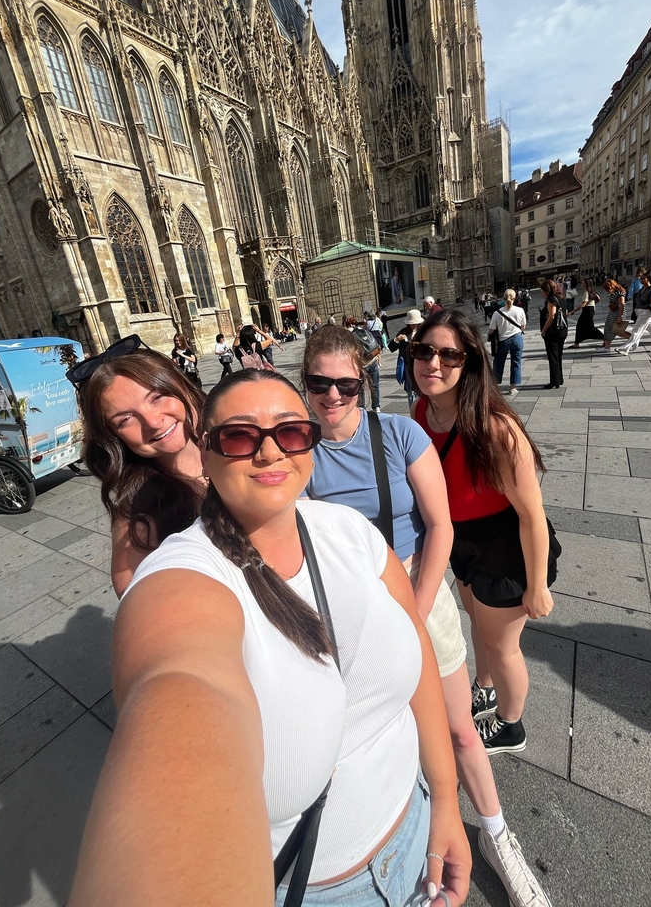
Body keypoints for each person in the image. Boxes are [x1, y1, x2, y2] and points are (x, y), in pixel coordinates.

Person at [68, 369, 472, 907]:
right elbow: (179, 680)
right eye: (239, 436)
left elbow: (416, 652)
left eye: (291, 432)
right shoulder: (183, 575)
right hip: (320, 887)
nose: (269, 452)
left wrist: (445, 799)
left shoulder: (348, 531)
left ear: (311, 444)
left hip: (418, 826)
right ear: (206, 457)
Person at [302, 327, 554, 907]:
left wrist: (412, 614)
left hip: (418, 595)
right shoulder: (297, 450)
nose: (334, 396)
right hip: (341, 611)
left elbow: (440, 526)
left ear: (362, 380)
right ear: (306, 386)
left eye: (345, 383)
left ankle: (497, 838)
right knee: (372, 732)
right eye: (320, 384)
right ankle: (409, 832)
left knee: (460, 728)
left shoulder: (398, 431)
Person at [408, 311, 559, 758]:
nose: (432, 363)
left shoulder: (495, 428)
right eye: (423, 350)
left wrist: (536, 587)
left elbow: (532, 515)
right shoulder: (421, 410)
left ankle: (511, 727)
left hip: (506, 543)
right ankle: (485, 687)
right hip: (460, 539)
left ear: (470, 362)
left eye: (448, 355)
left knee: (502, 644)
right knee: (478, 622)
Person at [65, 337, 206, 597]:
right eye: (126, 419)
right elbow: (141, 604)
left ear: (183, 388)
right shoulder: (139, 515)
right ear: (113, 437)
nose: (152, 422)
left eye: (158, 397)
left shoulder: (240, 443)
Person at [487, 289, 525, 398]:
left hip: (502, 341)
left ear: (503, 298)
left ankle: (495, 386)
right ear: (515, 298)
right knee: (516, 362)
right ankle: (513, 388)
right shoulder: (520, 310)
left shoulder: (497, 313)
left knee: (498, 363)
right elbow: (523, 327)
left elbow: (491, 330)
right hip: (517, 339)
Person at [615, 271, 651, 354]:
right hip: (641, 312)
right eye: (641, 278)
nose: (641, 280)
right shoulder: (642, 289)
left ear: (648, 279)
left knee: (636, 331)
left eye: (643, 278)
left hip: (647, 312)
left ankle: (624, 348)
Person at [389, 308, 423, 407]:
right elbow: (391, 348)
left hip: (420, 363)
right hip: (408, 365)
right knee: (410, 389)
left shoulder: (422, 332)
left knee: (421, 387)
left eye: (416, 323)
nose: (414, 325)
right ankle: (413, 411)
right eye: (412, 323)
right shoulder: (403, 332)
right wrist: (396, 339)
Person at [539, 280, 568, 388]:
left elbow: (552, 316)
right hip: (562, 330)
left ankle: (554, 381)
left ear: (548, 290)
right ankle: (559, 378)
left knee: (553, 357)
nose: (542, 294)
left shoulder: (551, 300)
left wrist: (544, 330)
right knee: (558, 355)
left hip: (553, 332)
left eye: (543, 292)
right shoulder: (562, 297)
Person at [352, 316, 382, 411]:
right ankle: (376, 406)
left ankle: (361, 408)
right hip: (372, 360)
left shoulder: (351, 336)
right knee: (374, 385)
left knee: (360, 388)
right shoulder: (364, 331)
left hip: (362, 364)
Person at [568, 280, 603, 347]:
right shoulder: (591, 291)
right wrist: (592, 303)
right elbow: (598, 298)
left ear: (587, 284)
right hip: (590, 309)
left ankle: (605, 338)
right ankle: (576, 343)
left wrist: (573, 311)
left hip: (587, 310)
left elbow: (583, 304)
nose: (581, 283)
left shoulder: (586, 293)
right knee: (580, 326)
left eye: (583, 283)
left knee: (589, 327)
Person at [597, 279, 627, 353]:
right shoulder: (614, 293)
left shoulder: (619, 293)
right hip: (612, 313)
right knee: (608, 328)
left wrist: (620, 316)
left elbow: (622, 305)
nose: (607, 290)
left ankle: (633, 339)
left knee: (618, 330)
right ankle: (607, 347)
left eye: (608, 288)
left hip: (617, 314)